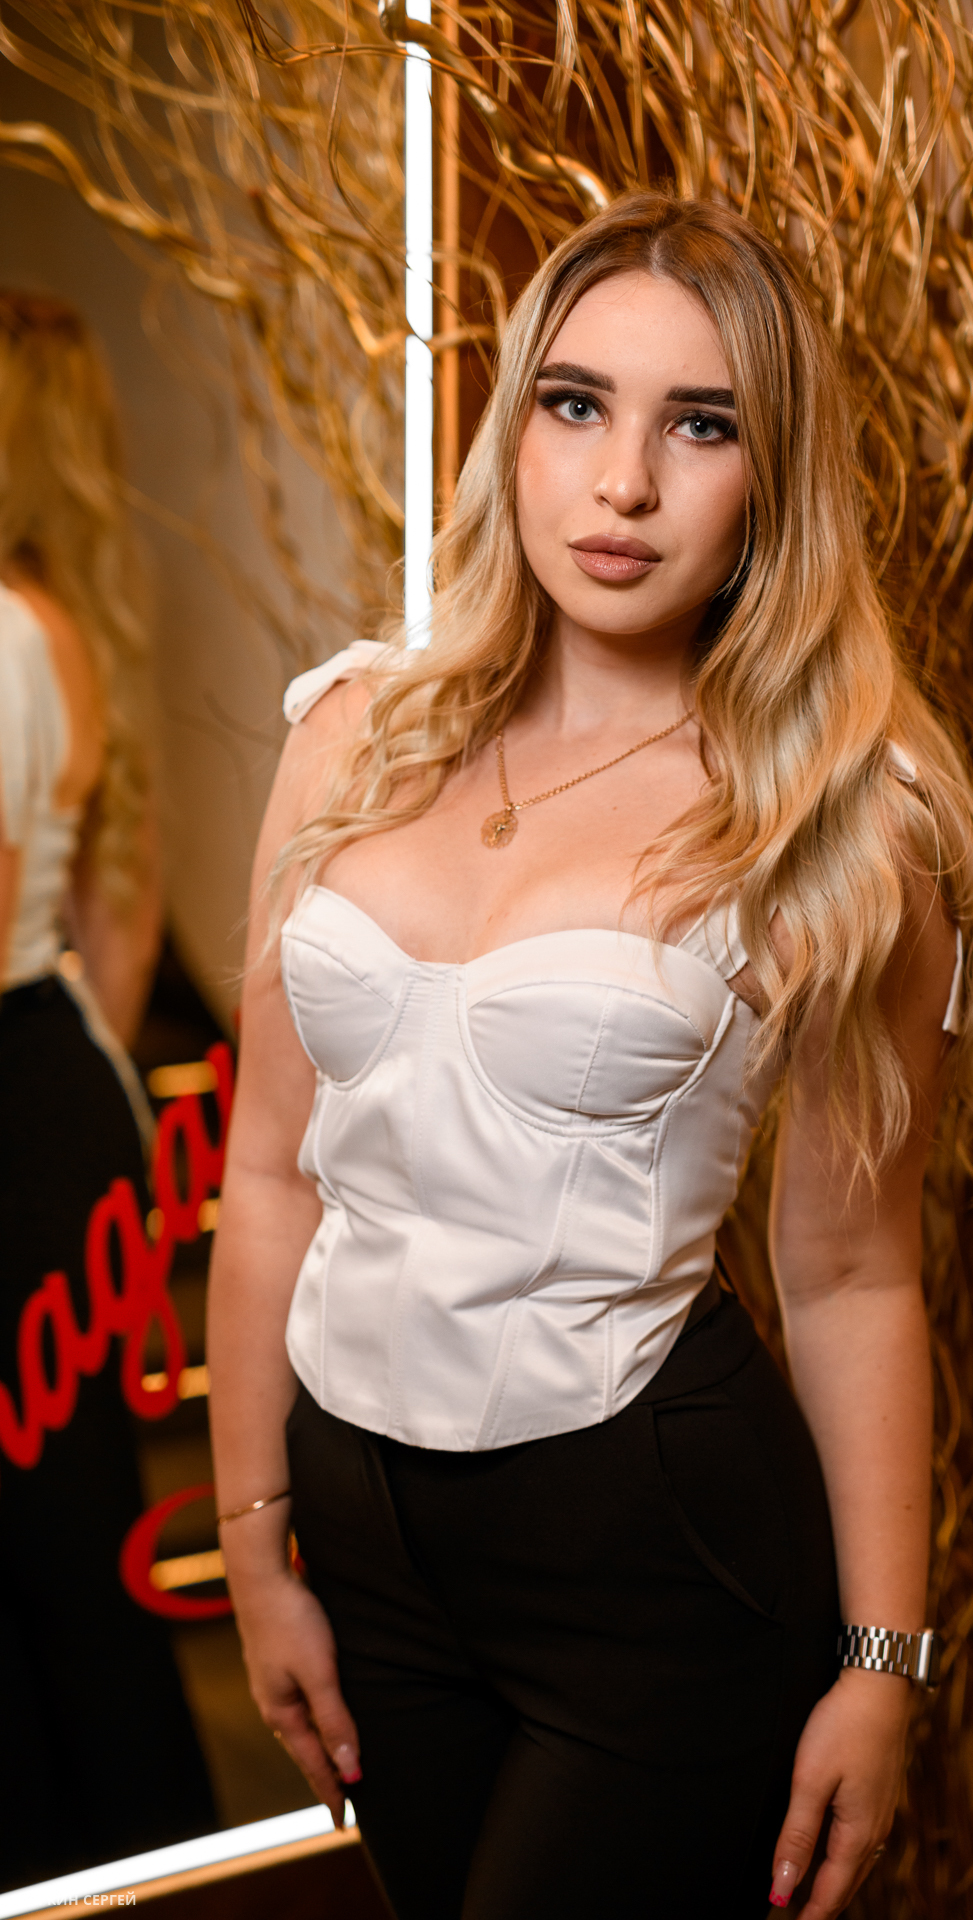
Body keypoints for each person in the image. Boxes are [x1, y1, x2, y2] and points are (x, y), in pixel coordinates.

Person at [208, 192, 973, 1920]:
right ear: (514, 427)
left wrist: (883, 1664)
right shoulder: (352, 734)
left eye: (703, 425)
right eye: (578, 403)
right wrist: (253, 1544)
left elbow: (852, 1275)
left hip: (653, 1551)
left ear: (773, 480)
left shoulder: (834, 824)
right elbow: (270, 1172)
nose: (624, 483)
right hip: (361, 1538)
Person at [0, 292, 218, 1887]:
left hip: (19, 1108)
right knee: (54, 1542)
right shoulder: (57, 623)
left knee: (54, 1552)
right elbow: (119, 930)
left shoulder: (5, 633)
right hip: (49, 1097)